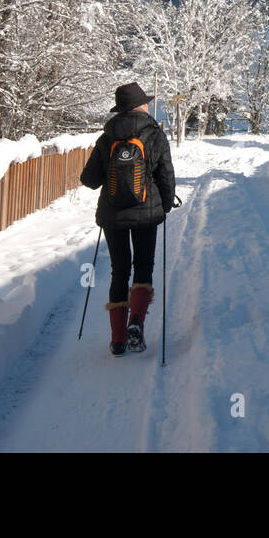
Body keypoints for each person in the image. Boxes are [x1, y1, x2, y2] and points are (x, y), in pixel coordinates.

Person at [80, 82, 176, 356]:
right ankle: (137, 321)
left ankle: (118, 339)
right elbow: (165, 175)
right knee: (143, 266)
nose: (148, 105)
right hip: (146, 213)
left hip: (113, 215)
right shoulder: (154, 133)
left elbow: (88, 179)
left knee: (119, 270)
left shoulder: (107, 136)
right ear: (139, 106)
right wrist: (165, 204)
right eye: (145, 102)